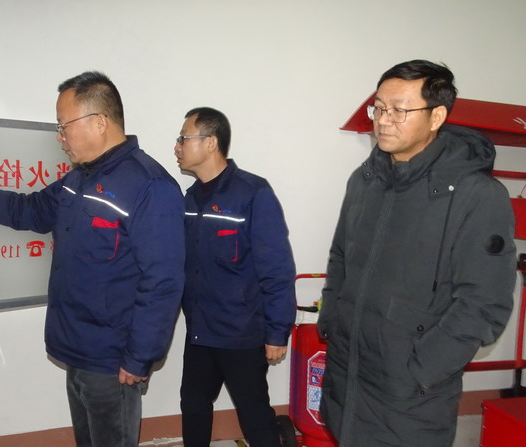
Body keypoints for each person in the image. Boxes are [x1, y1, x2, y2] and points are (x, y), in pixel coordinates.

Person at [0, 71, 185, 447]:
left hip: (113, 360)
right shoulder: (78, 180)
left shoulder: (150, 187)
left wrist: (139, 357)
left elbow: (163, 281)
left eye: (64, 126)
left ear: (99, 122)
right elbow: (27, 210)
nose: (59, 137)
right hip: (75, 347)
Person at [317, 59, 517, 447]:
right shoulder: (364, 180)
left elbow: (484, 303)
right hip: (348, 374)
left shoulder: (477, 196)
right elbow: (341, 257)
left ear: (436, 116)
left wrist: (423, 368)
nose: (383, 120)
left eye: (399, 110)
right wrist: (333, 319)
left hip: (411, 395)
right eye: (379, 108)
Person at [175, 107, 297, 447]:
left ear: (210, 142)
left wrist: (277, 332)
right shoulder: (189, 199)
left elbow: (277, 268)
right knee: (193, 407)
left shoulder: (252, 193)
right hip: (200, 331)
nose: (177, 146)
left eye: (184, 138)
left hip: (241, 333)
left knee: (254, 416)